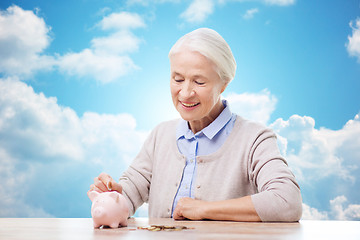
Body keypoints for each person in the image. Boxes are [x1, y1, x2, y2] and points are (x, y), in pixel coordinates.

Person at [88, 28, 302, 222]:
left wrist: (205, 209)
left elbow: (287, 201)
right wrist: (113, 194)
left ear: (224, 84)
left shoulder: (254, 138)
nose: (186, 93)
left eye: (199, 82)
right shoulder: (160, 135)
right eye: (178, 79)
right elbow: (130, 192)